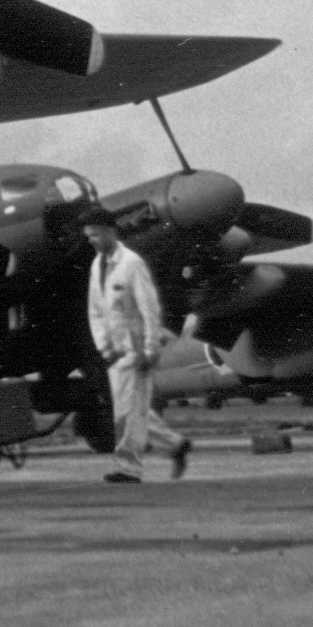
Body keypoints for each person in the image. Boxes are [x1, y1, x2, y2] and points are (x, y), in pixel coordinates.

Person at [81, 203, 191, 483]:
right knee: (133, 409)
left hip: (137, 350)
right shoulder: (98, 265)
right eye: (88, 236)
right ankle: (175, 444)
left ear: (109, 231)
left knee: (128, 412)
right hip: (115, 352)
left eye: (94, 235)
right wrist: (104, 346)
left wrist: (151, 349)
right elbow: (96, 309)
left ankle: (128, 469)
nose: (91, 241)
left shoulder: (131, 264)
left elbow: (149, 308)